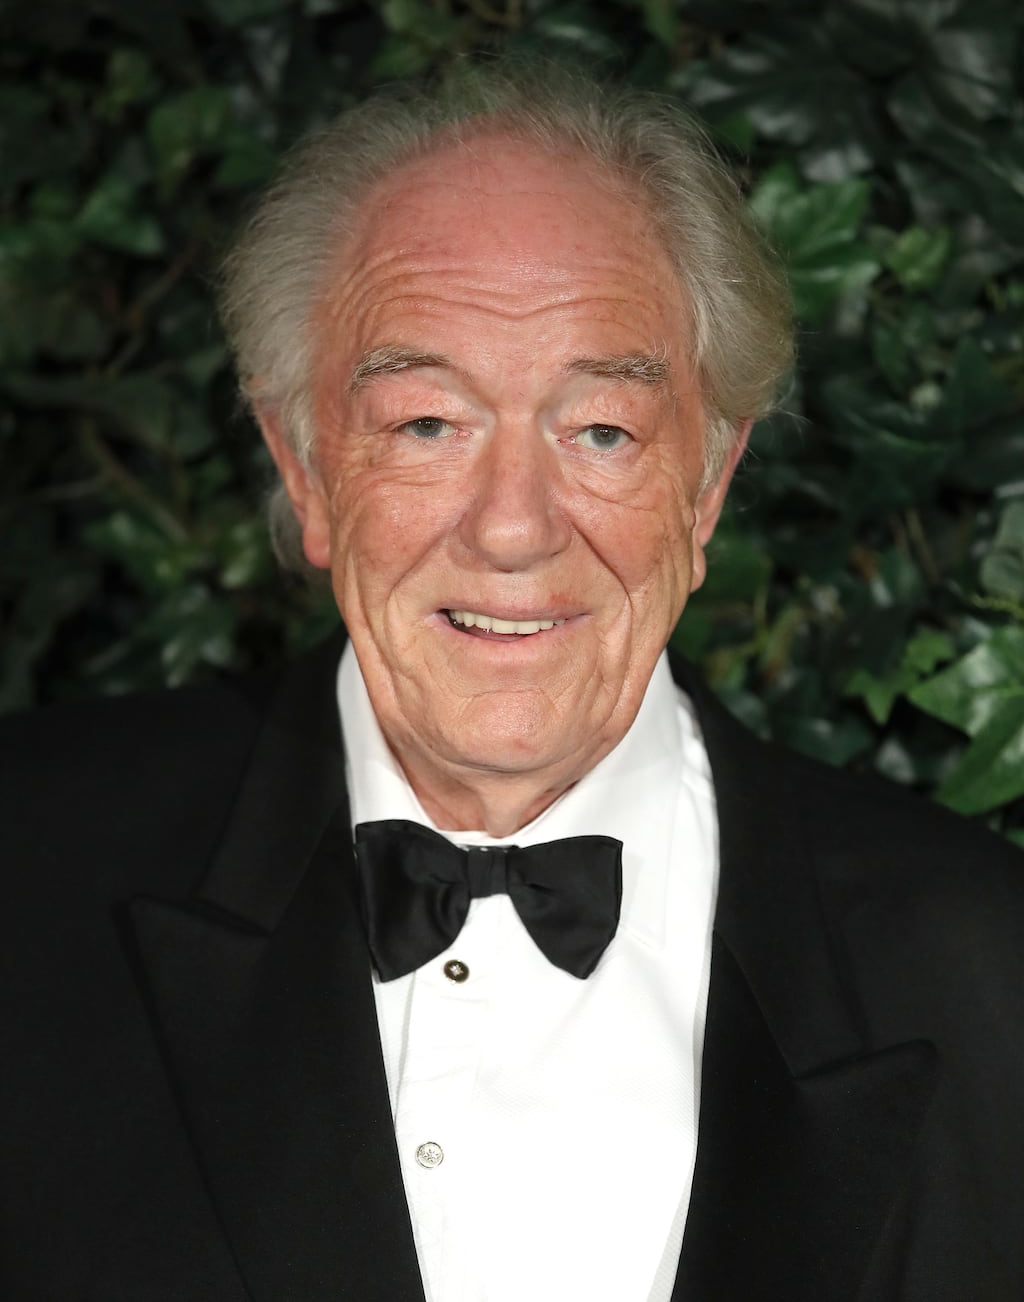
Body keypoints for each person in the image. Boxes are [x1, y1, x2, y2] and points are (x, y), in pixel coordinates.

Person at [2, 63, 1022, 1302]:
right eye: (428, 424)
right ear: (308, 469)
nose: (512, 529)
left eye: (600, 431)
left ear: (705, 487)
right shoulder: (28, 868)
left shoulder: (987, 963)